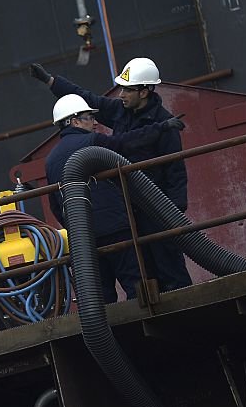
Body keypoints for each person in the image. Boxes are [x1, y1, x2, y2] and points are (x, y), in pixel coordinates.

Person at [31, 57, 194, 293]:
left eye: (128, 89)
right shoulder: (120, 112)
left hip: (156, 206)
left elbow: (175, 170)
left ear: (145, 91)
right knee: (144, 270)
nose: (122, 94)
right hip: (128, 207)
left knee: (168, 265)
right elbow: (85, 97)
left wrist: (174, 211)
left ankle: (186, 306)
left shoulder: (164, 123)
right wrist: (51, 81)